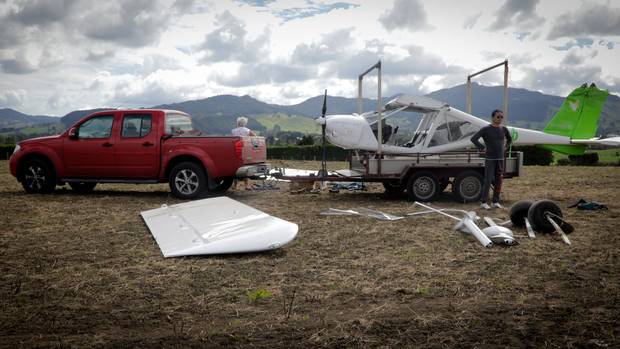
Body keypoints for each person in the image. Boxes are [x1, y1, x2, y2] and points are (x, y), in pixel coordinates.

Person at [470, 109, 512, 210]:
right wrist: (482, 148)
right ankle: (483, 202)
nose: (500, 118)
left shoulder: (504, 129)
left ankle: (495, 202)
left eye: (502, 117)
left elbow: (510, 139)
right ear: (493, 117)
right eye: (498, 116)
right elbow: (473, 139)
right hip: (490, 159)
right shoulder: (486, 129)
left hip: (500, 159)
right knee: (488, 180)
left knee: (498, 181)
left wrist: (506, 147)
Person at [232, 116, 256, 190]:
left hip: (235, 150)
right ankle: (247, 185)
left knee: (236, 168)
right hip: (245, 150)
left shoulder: (233, 131)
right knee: (245, 168)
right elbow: (255, 136)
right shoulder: (247, 130)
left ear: (237, 123)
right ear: (245, 123)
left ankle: (235, 185)